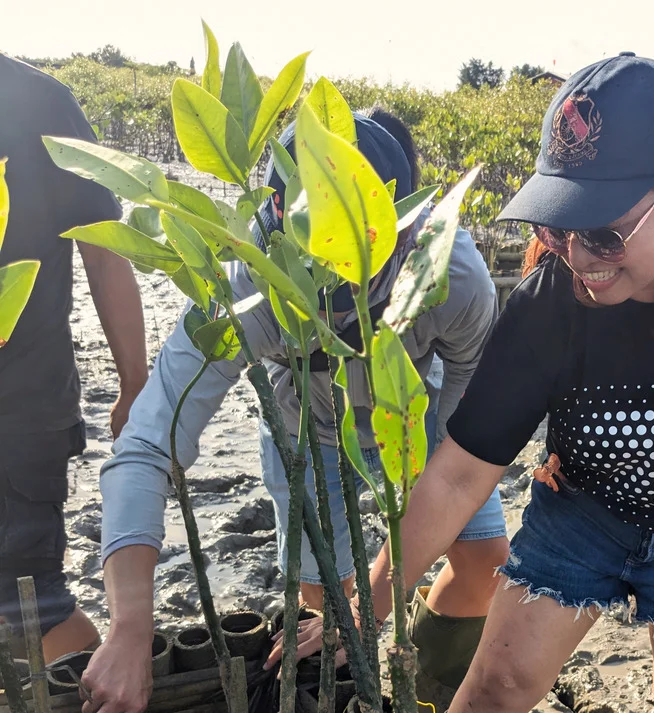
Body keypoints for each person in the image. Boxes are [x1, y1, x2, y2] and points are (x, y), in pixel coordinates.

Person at [292, 54, 654, 713]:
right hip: (581, 515)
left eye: (603, 233)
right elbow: (458, 475)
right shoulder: (550, 301)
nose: (579, 259)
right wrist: (366, 608)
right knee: (497, 687)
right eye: (556, 227)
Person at [85, 110, 508, 713]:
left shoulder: (456, 279)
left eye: (358, 289)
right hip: (305, 424)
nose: (337, 315)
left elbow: (463, 459)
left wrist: (373, 610)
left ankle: (431, 684)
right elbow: (149, 441)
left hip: (414, 413)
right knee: (321, 604)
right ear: (277, 227)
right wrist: (129, 627)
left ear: (407, 232)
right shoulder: (241, 286)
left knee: (485, 562)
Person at [0, 54, 148, 663]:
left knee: (28, 601)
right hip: (34, 403)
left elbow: (104, 250)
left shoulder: (39, 103)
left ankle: (94, 682)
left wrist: (135, 384)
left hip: (24, 408)